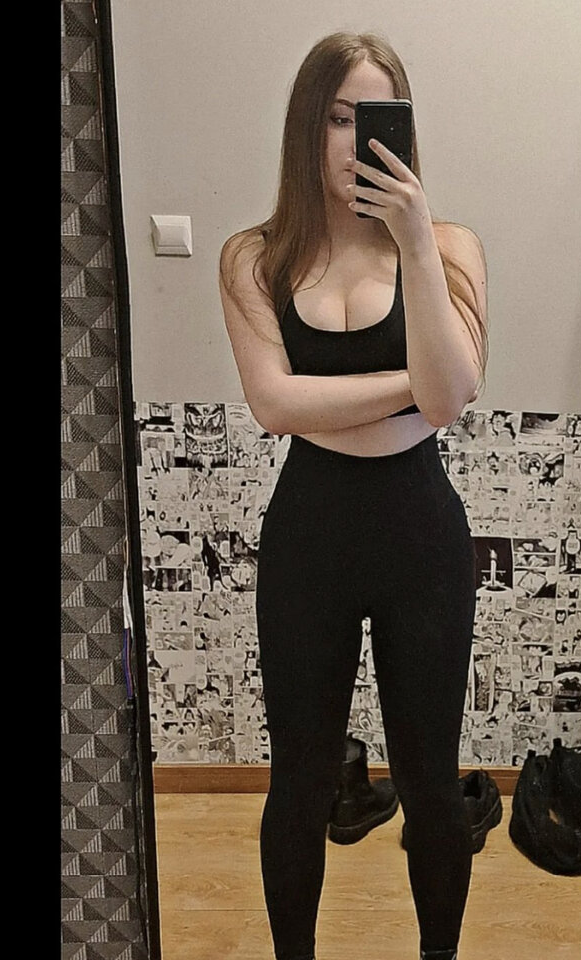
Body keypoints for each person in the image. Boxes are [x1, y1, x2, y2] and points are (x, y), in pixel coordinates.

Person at [219, 32, 488, 960]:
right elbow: (274, 405)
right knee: (298, 780)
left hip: (421, 535)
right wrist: (409, 386)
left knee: (428, 780)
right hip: (311, 534)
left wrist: (412, 239)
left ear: (402, 129)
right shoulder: (255, 258)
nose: (353, 141)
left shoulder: (447, 247)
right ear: (307, 126)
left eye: (373, 118)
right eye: (336, 117)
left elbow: (446, 403)